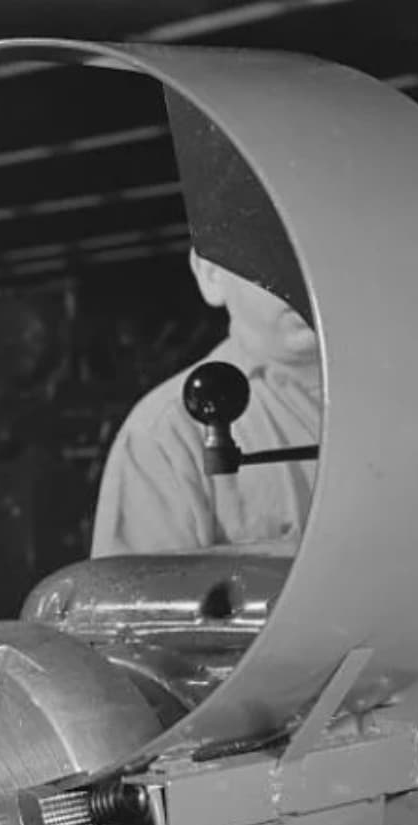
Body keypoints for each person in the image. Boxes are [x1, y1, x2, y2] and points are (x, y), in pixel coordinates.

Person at [91, 94, 321, 557]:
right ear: (211, 275)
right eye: (269, 259)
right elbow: (139, 616)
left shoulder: (397, 399)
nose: (298, 279)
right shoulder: (166, 433)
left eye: (313, 253)